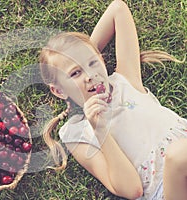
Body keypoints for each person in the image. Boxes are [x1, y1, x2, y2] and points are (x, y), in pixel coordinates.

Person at [39, 0, 187, 199]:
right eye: (75, 74)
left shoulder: (125, 79)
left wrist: (81, 54)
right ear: (58, 91)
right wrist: (100, 129)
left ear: (101, 59)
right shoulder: (77, 132)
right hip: (169, 190)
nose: (90, 76)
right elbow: (132, 190)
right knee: (177, 156)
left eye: (93, 62)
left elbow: (118, 8)